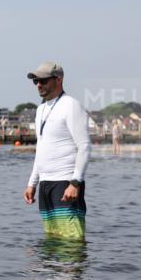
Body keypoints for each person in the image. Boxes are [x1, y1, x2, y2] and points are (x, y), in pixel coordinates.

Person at [22, 62, 91, 240]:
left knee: (71, 243)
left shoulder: (71, 105)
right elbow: (42, 148)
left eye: (43, 80)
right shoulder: (40, 110)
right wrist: (32, 183)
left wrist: (75, 183)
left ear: (58, 79)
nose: (38, 84)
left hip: (65, 183)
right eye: (36, 81)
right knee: (52, 241)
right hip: (45, 184)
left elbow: (84, 146)